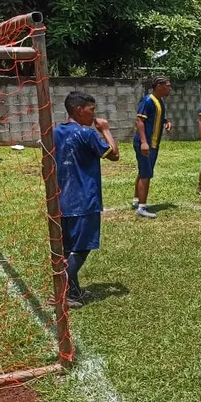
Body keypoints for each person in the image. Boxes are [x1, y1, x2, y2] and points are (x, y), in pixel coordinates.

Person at [53, 91, 119, 308]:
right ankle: (60, 293)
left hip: (61, 199)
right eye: (92, 110)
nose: (94, 115)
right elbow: (114, 154)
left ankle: (74, 290)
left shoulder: (55, 132)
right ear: (79, 110)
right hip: (84, 199)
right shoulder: (86, 134)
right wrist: (106, 130)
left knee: (67, 248)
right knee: (82, 247)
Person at [132, 77, 173, 218]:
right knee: (146, 174)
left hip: (153, 143)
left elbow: (156, 118)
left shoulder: (159, 101)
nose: (170, 88)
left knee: (143, 171)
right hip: (146, 143)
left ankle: (136, 200)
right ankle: (142, 207)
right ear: (159, 86)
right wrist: (144, 142)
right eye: (168, 86)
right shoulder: (148, 101)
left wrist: (166, 121)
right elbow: (140, 121)